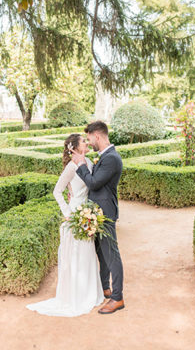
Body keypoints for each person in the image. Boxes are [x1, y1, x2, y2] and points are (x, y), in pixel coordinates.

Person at [26, 133, 104, 317]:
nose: (86, 142)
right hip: (76, 214)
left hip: (88, 213)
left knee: (87, 254)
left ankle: (89, 293)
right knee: (77, 254)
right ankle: (76, 297)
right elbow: (57, 191)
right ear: (74, 148)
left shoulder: (89, 163)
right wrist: (67, 213)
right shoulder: (71, 167)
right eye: (83, 141)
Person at [71, 121, 125, 314]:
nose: (89, 142)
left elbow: (93, 183)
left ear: (98, 136)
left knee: (111, 255)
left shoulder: (111, 158)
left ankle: (117, 298)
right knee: (102, 254)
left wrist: (80, 165)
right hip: (98, 213)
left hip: (106, 214)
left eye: (89, 138)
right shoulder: (105, 156)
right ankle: (105, 288)